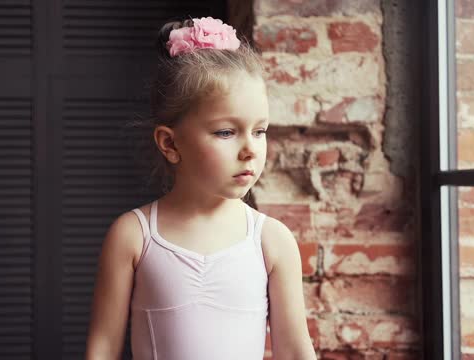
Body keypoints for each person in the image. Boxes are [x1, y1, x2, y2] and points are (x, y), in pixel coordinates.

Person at [84, 16, 317, 360]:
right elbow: (102, 348)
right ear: (170, 143)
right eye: (226, 132)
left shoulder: (272, 241)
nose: (250, 149)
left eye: (260, 131)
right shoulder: (133, 236)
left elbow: (296, 351)